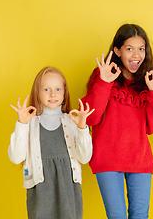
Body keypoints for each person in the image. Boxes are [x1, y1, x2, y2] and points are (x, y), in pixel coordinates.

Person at [81, 24, 153, 219]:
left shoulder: (148, 81)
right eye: (129, 49)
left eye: (141, 49)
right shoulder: (103, 76)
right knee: (117, 216)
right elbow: (92, 118)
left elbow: (152, 127)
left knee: (140, 216)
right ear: (117, 51)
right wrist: (104, 82)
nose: (136, 55)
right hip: (107, 160)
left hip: (140, 160)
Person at [8, 67, 94, 219]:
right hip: (40, 189)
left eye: (58, 89)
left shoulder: (72, 121)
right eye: (46, 89)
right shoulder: (30, 122)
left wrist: (82, 128)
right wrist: (21, 125)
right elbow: (15, 157)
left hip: (69, 188)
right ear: (37, 92)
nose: (53, 94)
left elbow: (85, 158)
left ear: (64, 93)